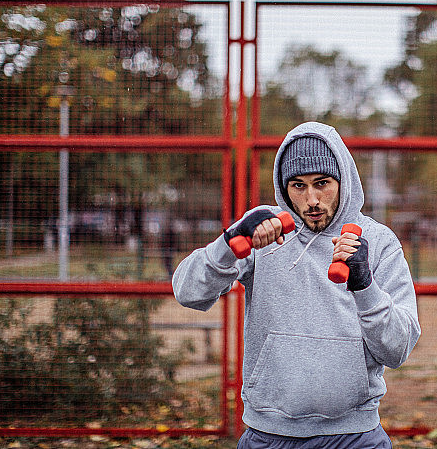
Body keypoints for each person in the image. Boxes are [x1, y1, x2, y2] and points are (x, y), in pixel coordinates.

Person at [173, 121, 420, 448]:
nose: (312, 199)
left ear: (342, 180)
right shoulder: (267, 233)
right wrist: (228, 242)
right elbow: (187, 292)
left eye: (322, 183)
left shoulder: (377, 241)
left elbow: (398, 349)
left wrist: (366, 287)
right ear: (283, 187)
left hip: (354, 435)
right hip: (269, 434)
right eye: (298, 186)